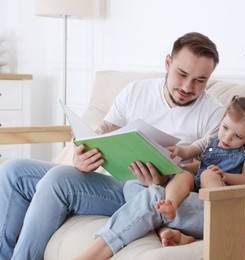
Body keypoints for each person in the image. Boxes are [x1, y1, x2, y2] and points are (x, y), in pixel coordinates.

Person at [73, 30, 245, 259]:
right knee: (136, 187)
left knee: (152, 196)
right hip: (228, 198)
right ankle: (171, 230)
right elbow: (223, 151)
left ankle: (92, 255)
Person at [0, 32, 226, 259]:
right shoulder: (136, 91)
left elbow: (207, 173)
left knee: (58, 179)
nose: (188, 87)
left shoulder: (215, 114)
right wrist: (82, 155)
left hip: (150, 193)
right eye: (182, 74)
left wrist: (162, 179)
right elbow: (103, 133)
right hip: (112, 179)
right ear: (168, 63)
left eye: (200, 80)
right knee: (12, 171)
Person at [155, 96, 245, 224]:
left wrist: (225, 176)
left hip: (223, 189)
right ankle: (171, 203)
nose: (227, 138)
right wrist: (178, 151)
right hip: (196, 185)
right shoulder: (210, 140)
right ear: (223, 119)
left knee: (208, 174)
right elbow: (189, 151)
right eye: (225, 127)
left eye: (238, 136)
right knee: (183, 174)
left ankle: (221, 210)